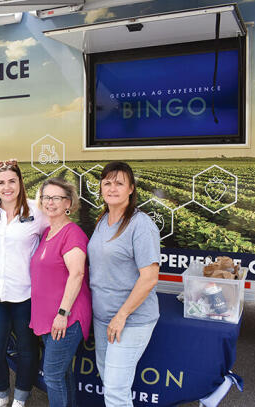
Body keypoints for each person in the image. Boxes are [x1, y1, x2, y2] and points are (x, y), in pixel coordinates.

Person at [87, 161, 160, 407]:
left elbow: (149, 277)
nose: (112, 188)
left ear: (131, 189)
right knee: (110, 381)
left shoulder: (140, 224)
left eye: (119, 183)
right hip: (103, 317)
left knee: (116, 391)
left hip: (130, 319)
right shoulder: (102, 220)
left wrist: (121, 315)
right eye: (107, 182)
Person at [0, 160, 47, 407]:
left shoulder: (36, 212)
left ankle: (20, 398)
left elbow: (52, 240)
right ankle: (0, 394)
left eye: (12, 181)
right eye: (1, 182)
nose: (7, 187)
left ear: (20, 183)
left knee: (28, 350)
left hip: (26, 295)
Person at [30, 178, 92, 407]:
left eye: (56, 198)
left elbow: (77, 274)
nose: (50, 202)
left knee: (53, 376)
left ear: (68, 203)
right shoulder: (47, 231)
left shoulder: (72, 233)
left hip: (66, 317)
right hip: (49, 317)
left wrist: (62, 313)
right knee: (62, 374)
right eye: (46, 197)